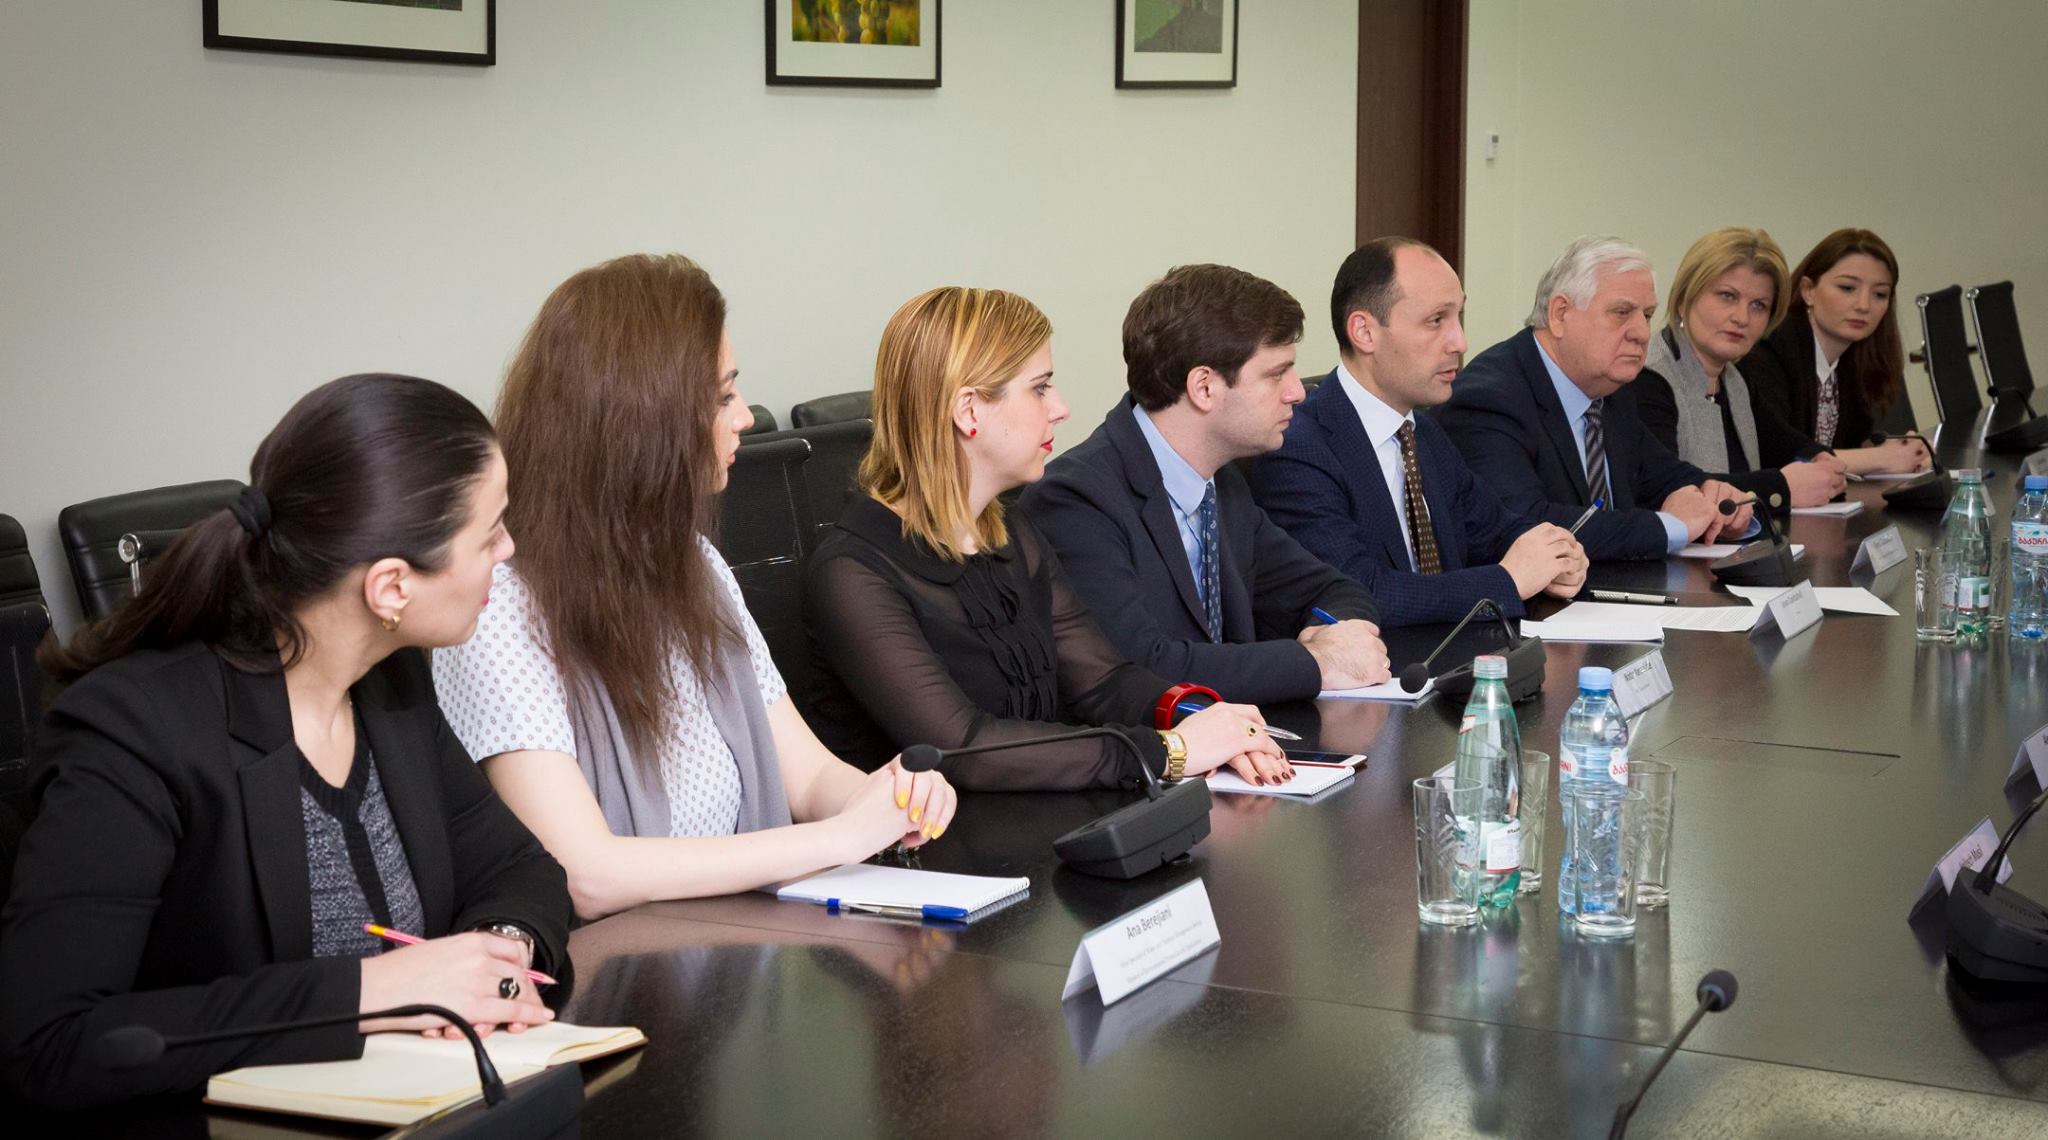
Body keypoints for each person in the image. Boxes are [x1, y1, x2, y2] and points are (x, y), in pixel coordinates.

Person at [2, 374, 570, 1109]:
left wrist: (498, 955)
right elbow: (48, 1042)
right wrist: (369, 991)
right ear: (391, 587)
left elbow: (518, 865)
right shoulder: (133, 730)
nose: (509, 549)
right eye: (489, 533)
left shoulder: (390, 684)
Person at [431, 254, 956, 923]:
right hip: (617, 975)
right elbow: (583, 874)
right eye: (721, 398)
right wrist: (838, 839)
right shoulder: (502, 607)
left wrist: (887, 800)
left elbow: (810, 777)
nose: (743, 418)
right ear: (640, 421)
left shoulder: (696, 565)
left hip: (737, 950)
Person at [806, 286, 1293, 791]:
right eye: (1039, 388)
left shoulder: (1013, 531)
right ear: (968, 410)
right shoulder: (852, 574)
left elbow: (1104, 682)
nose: (1060, 408)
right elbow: (965, 749)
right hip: (937, 839)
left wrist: (1212, 720)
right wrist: (1172, 750)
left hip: (1039, 821)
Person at [1016, 263, 1390, 703]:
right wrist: (1315, 662)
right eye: (1276, 374)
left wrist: (1339, 639)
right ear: (1204, 387)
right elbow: (1136, 669)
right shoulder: (1076, 500)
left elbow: (1336, 590)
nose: (1297, 391)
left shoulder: (1223, 483)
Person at [1253, 238, 1588, 626]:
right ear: (1364, 332)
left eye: (1459, 317)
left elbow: (1498, 530)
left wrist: (1557, 553)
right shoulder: (1297, 447)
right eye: (1436, 320)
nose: (1460, 342)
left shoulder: (1423, 432)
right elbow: (1357, 593)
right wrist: (1508, 581)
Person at [1436, 236, 1755, 562]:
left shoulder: (1612, 389)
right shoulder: (1490, 399)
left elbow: (1664, 476)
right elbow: (1524, 527)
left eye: (1647, 315)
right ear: (1560, 313)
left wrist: (1715, 496)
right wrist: (1671, 527)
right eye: (1621, 312)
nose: (1641, 333)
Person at [1629, 227, 1850, 508]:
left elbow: (1785, 443)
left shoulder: (1735, 378)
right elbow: (1666, 488)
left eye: (1758, 305)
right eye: (1727, 296)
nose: (1742, 318)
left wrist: (1820, 458)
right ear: (1684, 298)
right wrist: (1780, 487)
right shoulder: (1649, 378)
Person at [1740, 228, 1929, 474]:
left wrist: (1900, 450)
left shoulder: (1855, 357)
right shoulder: (1771, 348)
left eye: (1880, 294)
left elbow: (1852, 442)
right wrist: (1883, 458)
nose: (1864, 305)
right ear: (1808, 290)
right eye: (1847, 288)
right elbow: (1780, 457)